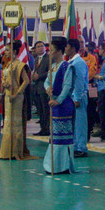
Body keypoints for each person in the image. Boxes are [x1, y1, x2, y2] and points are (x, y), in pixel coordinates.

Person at [44, 37, 76, 174]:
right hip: (54, 104)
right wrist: (47, 89)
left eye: (51, 50)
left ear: (58, 52)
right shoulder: (52, 67)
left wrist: (59, 100)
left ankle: (62, 165)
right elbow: (46, 82)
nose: (49, 53)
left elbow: (67, 86)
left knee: (63, 136)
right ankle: (53, 164)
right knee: (54, 135)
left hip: (63, 105)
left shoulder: (67, 67)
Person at [0, 40, 34, 160]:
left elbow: (26, 81)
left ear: (14, 51)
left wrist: (17, 93)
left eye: (8, 50)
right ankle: (7, 150)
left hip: (17, 97)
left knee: (16, 122)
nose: (6, 52)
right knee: (8, 122)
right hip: (8, 94)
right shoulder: (8, 65)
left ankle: (16, 150)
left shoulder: (19, 65)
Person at [65, 39, 90, 158]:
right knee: (74, 123)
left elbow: (79, 82)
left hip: (78, 97)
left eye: (67, 47)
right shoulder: (71, 62)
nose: (65, 49)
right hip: (72, 97)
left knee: (80, 123)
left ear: (73, 48)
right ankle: (75, 145)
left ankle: (81, 147)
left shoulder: (78, 63)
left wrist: (77, 98)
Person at [30, 41, 50, 136]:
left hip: (44, 87)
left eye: (42, 46)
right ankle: (42, 128)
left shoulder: (49, 58)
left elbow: (51, 71)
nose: (40, 48)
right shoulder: (36, 58)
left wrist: (39, 76)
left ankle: (47, 128)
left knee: (45, 109)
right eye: (38, 46)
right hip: (36, 87)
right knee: (40, 110)